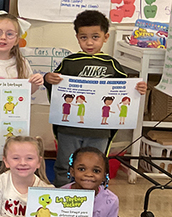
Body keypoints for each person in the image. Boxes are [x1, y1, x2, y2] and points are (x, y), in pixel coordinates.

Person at [44, 10, 147, 186]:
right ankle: (62, 199)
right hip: (69, 128)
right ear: (77, 37)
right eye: (84, 37)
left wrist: (138, 88)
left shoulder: (112, 65)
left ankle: (94, 201)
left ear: (105, 37)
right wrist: (48, 79)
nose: (89, 42)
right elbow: (54, 88)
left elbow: (125, 91)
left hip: (100, 130)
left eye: (95, 37)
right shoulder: (69, 62)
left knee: (97, 166)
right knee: (64, 165)